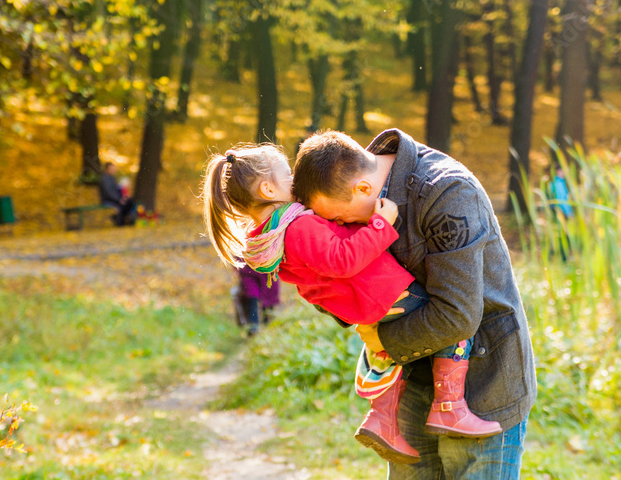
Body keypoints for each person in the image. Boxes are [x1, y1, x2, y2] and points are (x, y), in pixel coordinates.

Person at [202, 144, 501, 466]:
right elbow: (342, 261)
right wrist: (381, 224)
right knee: (451, 322)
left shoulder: (272, 238)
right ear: (268, 188)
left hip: (363, 303)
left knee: (387, 348)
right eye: (289, 175)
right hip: (383, 291)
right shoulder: (298, 227)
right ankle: (449, 407)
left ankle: (382, 416)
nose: (297, 181)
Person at [292, 130, 536, 479]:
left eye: (341, 219)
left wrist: (383, 341)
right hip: (412, 381)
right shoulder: (355, 189)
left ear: (363, 189)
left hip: (485, 381)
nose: (340, 228)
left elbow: (457, 314)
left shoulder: (448, 191)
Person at [232, 262, 280, 336]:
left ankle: (268, 325)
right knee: (251, 296)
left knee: (268, 297)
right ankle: (253, 327)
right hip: (247, 269)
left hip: (268, 267)